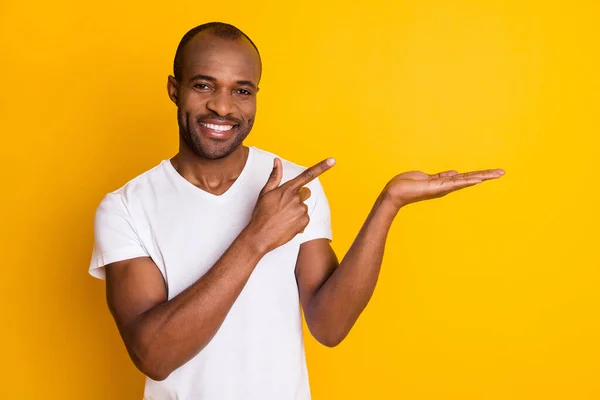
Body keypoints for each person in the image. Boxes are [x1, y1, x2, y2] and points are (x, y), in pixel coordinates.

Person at [89, 22, 505, 400]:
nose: (222, 106)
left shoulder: (294, 185)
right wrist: (256, 238)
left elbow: (328, 325)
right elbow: (154, 356)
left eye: (242, 90)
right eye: (203, 85)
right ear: (174, 89)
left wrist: (388, 205)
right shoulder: (126, 207)